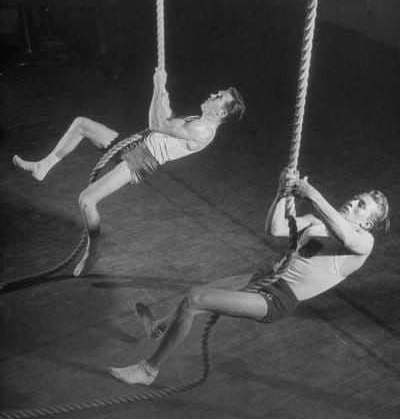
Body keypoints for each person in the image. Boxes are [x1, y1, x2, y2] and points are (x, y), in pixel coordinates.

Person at [108, 169, 390, 386]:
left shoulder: (363, 244)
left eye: (361, 206)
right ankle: (158, 328)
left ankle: (148, 370)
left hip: (277, 298)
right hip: (265, 277)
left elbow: (342, 233)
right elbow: (276, 228)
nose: (352, 203)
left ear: (367, 223)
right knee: (195, 297)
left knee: (194, 299)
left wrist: (311, 193)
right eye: (354, 199)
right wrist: (282, 192)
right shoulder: (318, 223)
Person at [12, 68, 246, 276]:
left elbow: (158, 125)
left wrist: (157, 86)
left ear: (222, 113)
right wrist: (164, 98)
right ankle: (44, 166)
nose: (214, 93)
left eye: (219, 97)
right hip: (139, 144)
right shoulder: (199, 119)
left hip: (142, 159)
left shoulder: (204, 129)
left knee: (86, 200)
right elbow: (170, 123)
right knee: (81, 124)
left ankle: (94, 251)